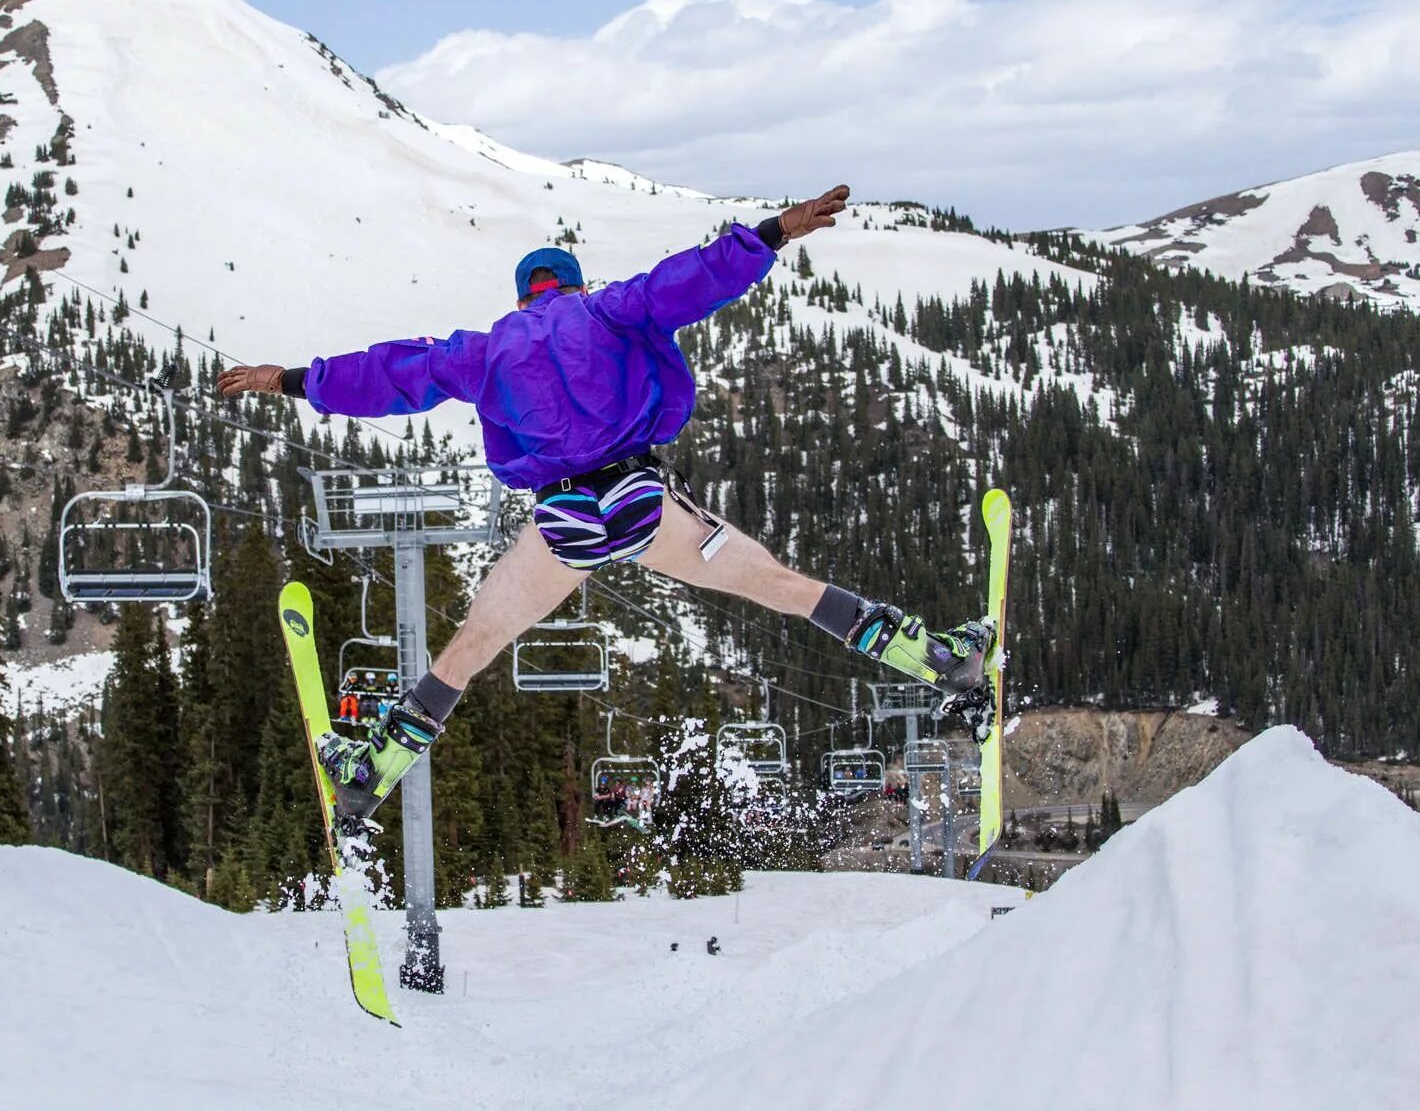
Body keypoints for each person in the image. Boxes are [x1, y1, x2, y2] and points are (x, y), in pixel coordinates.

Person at [218, 186, 989, 820]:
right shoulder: (610, 309)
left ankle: (373, 770)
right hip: (640, 500)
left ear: (523, 295)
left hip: (561, 524)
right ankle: (936, 658)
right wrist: (771, 234)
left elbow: (388, 374)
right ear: (575, 283)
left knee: (473, 645)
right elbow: (690, 280)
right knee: (780, 586)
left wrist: (288, 379)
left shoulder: (485, 350)